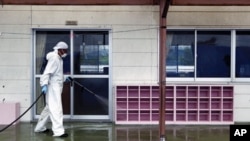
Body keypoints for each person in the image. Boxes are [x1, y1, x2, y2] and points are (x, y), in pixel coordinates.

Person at [34, 41, 71, 137]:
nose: (66, 52)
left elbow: (56, 74)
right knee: (56, 108)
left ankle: (39, 128)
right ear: (60, 50)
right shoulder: (54, 58)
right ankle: (59, 132)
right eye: (65, 50)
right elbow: (47, 72)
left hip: (55, 86)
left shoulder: (59, 59)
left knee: (48, 108)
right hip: (52, 87)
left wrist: (65, 77)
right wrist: (44, 84)